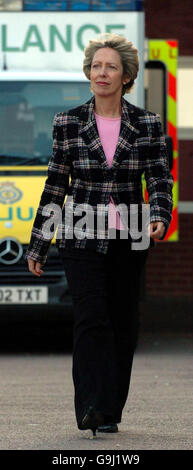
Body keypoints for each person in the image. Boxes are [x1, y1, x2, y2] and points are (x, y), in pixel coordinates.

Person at [26, 33, 173, 437]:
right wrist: (40, 242)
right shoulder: (68, 122)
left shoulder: (147, 123)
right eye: (95, 66)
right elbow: (55, 185)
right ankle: (89, 406)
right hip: (80, 235)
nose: (100, 73)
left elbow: (159, 176)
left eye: (109, 67)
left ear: (126, 76)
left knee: (122, 322)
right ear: (88, 73)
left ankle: (109, 409)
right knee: (91, 319)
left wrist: (160, 213)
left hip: (130, 236)